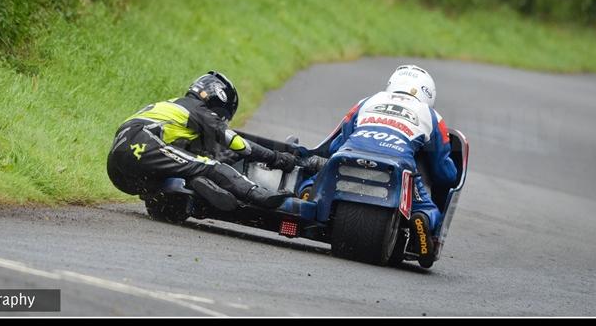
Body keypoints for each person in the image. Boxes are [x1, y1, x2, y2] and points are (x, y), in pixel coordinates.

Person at [318, 65, 457, 266]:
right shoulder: (433, 117)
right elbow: (443, 171)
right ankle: (421, 218)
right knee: (428, 208)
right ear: (427, 94)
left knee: (317, 179)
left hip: (349, 156)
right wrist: (453, 175)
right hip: (399, 163)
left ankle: (309, 195)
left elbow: (335, 145)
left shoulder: (366, 102)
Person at [106, 71, 298, 212]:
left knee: (191, 164)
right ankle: (259, 195)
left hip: (118, 166)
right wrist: (276, 158)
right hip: (141, 141)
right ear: (218, 97)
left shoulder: (177, 105)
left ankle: (192, 184)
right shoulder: (198, 110)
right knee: (209, 165)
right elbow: (238, 144)